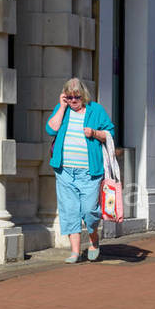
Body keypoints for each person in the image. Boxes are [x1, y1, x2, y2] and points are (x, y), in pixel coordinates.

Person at [45, 77, 117, 263]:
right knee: (69, 211)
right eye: (69, 97)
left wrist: (93, 133)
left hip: (90, 172)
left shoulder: (96, 110)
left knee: (89, 211)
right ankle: (75, 252)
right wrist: (61, 107)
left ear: (83, 95)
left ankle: (93, 240)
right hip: (64, 170)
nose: (73, 101)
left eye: (76, 97)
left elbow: (110, 133)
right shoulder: (64, 110)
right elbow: (50, 130)